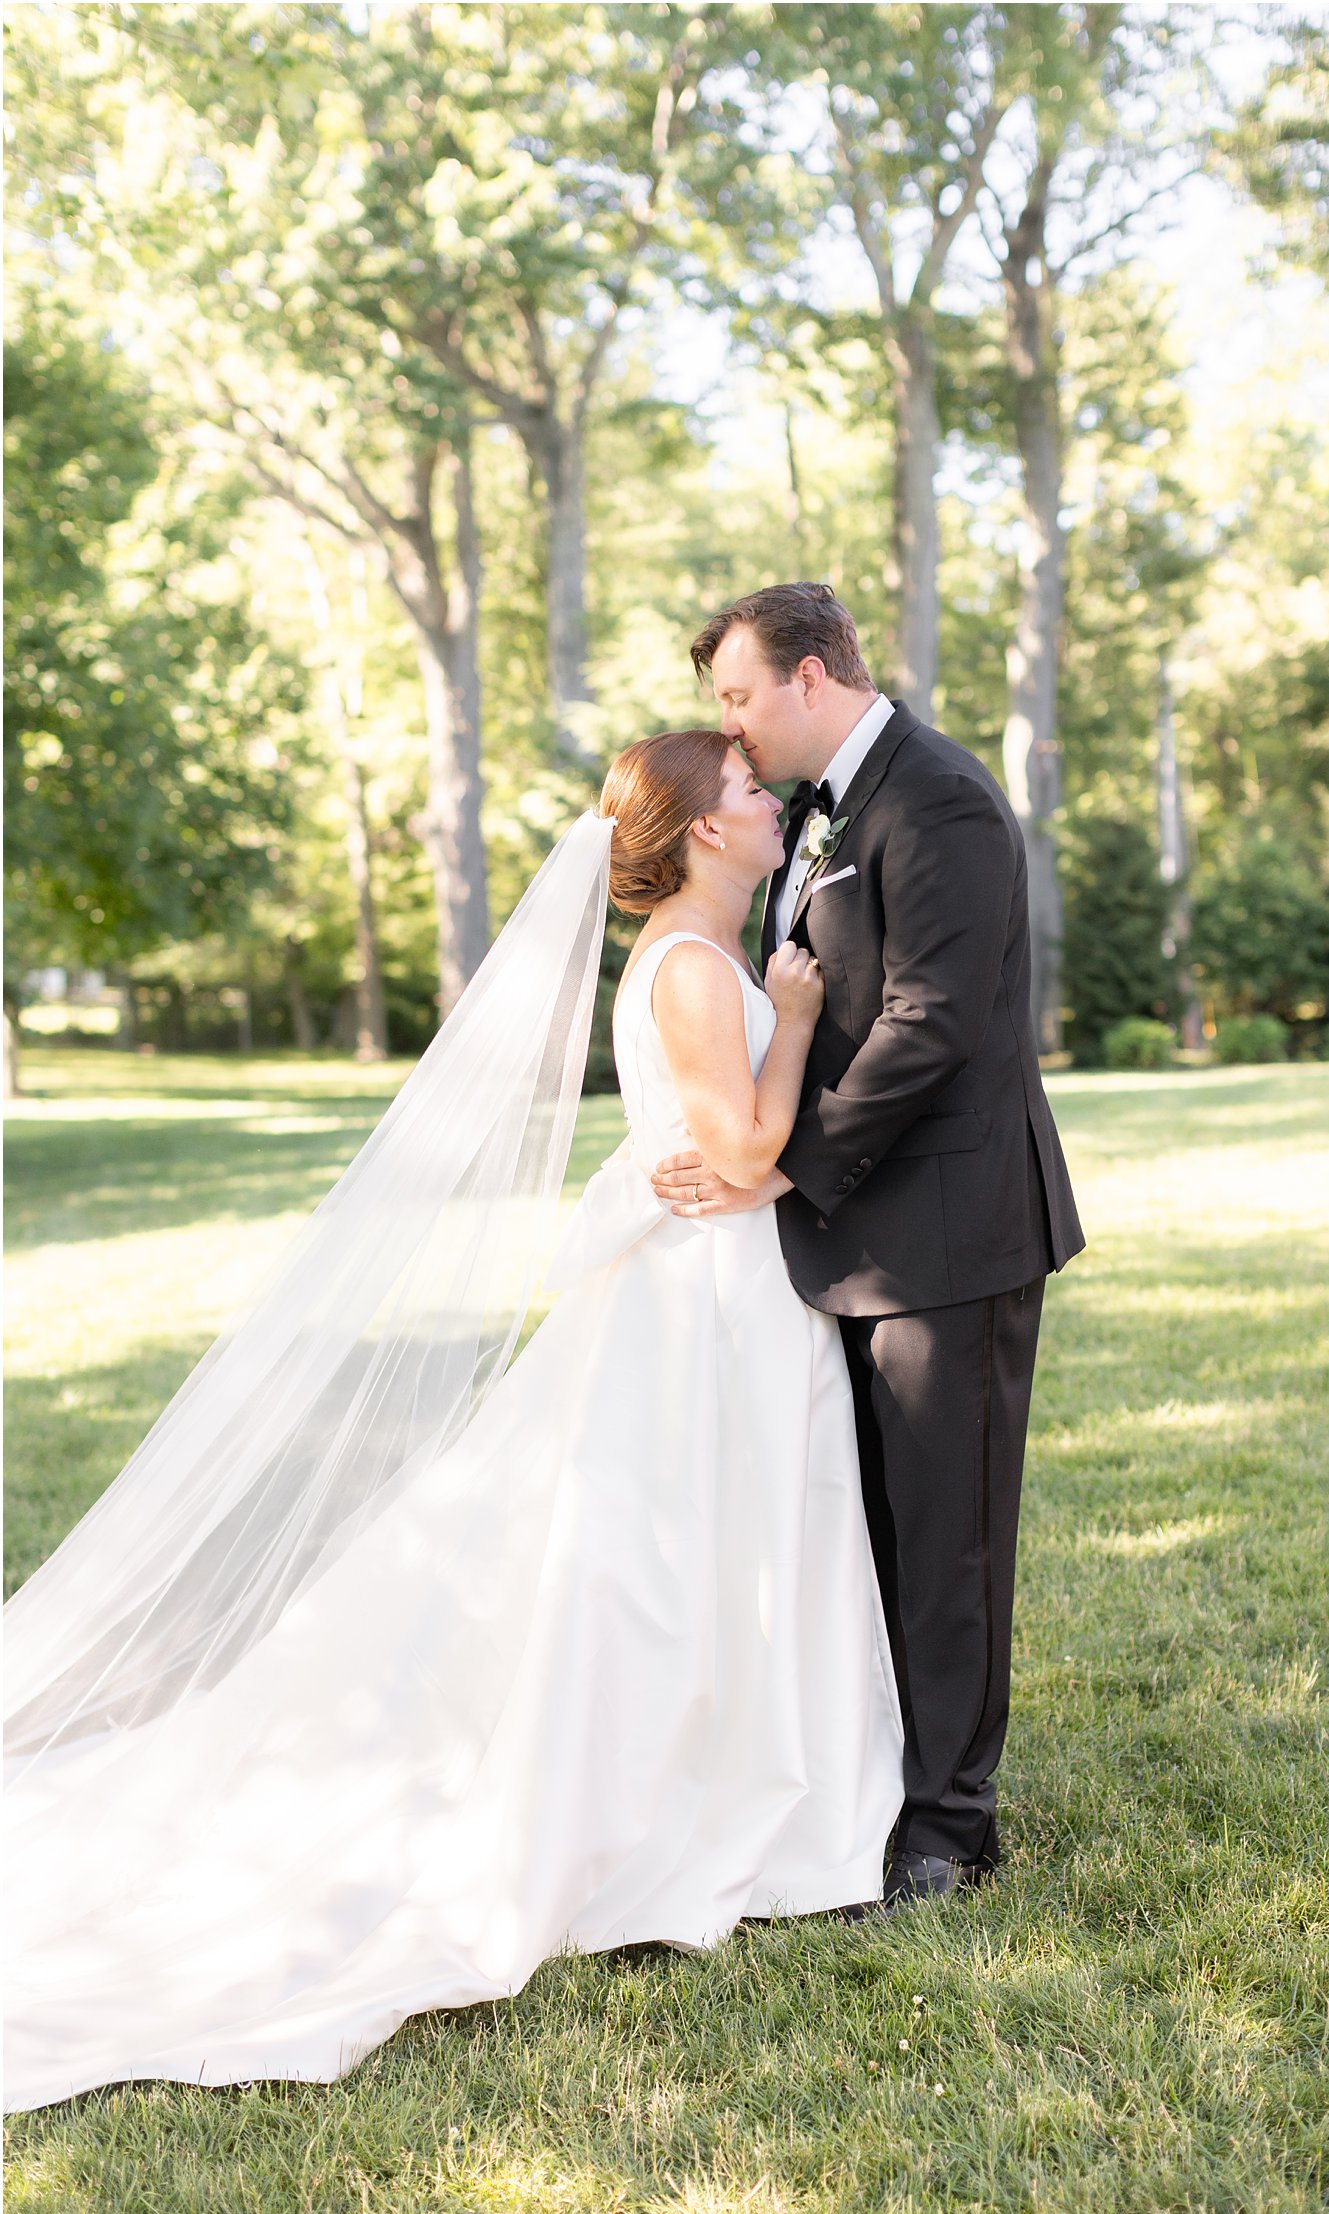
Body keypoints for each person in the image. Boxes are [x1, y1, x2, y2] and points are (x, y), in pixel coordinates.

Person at [2, 729, 903, 2114]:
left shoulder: (697, 954)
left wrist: (767, 1020)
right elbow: (735, 1152)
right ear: (701, 830)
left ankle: (735, 1771)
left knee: (716, 1543)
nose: (768, 797)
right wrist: (788, 1022)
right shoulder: (690, 967)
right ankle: (698, 1796)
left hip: (719, 1282)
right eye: (741, 786)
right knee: (680, 1549)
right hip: (705, 1297)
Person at [653, 584, 1085, 1906]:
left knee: (948, 1536)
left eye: (739, 693)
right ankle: (885, 1784)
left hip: (950, 1232)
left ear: (817, 672)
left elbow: (932, 1021)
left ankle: (953, 1828)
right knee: (882, 1529)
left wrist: (785, 1162)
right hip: (856, 1235)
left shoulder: (935, 795)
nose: (727, 719)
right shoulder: (832, 806)